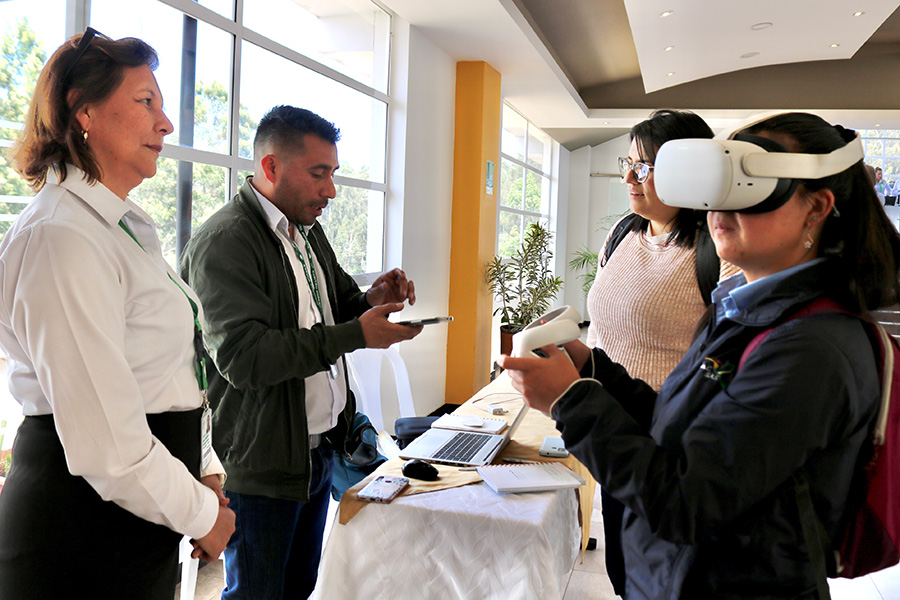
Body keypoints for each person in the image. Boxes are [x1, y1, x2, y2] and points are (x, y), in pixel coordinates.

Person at [499, 112, 900, 599]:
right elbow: (676, 426)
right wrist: (592, 369)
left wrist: (570, 401)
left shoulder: (811, 349)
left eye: (751, 184)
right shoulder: (742, 311)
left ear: (816, 208)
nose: (720, 204)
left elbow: (686, 501)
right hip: (675, 576)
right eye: (720, 183)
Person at [0, 29, 235, 599]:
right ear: (84, 111)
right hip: (79, 530)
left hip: (133, 515)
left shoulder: (119, 225)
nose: (166, 124)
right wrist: (203, 513)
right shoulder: (63, 236)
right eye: (145, 101)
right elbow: (107, 441)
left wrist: (202, 467)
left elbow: (169, 370)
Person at [180, 105, 422, 599]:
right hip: (262, 465)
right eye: (318, 174)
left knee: (297, 588)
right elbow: (246, 358)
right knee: (258, 593)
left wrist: (374, 300)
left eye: (332, 174)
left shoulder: (306, 232)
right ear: (270, 168)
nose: (330, 190)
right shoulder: (226, 242)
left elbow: (336, 310)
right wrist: (356, 334)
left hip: (314, 455)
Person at [588, 109, 739, 595]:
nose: (631, 177)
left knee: (664, 578)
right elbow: (606, 327)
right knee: (622, 572)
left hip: (667, 443)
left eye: (647, 167)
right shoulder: (622, 234)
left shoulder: (716, 253)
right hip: (611, 433)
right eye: (627, 163)